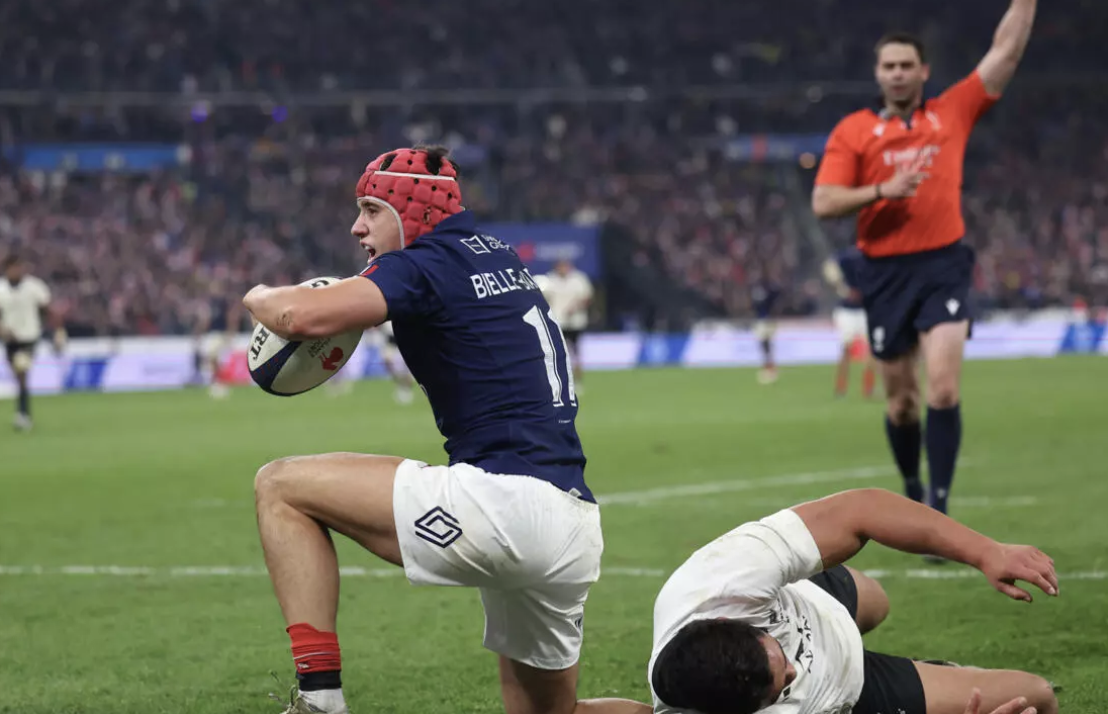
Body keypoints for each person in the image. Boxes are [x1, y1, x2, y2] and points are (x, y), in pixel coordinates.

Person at [242, 146, 642, 714]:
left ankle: (320, 699)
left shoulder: (425, 262)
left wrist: (257, 295)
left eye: (370, 209)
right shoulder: (498, 254)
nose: (357, 227)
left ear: (415, 211)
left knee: (279, 487)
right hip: (571, 521)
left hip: (505, 505)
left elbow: (296, 317)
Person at [811, 0, 1037, 516]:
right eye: (889, 66)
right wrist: (881, 190)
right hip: (884, 273)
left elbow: (1005, 52)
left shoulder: (950, 112)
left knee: (942, 388)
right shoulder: (853, 131)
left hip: (943, 266)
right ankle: (913, 484)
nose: (897, 73)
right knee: (901, 403)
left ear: (923, 71)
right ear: (877, 73)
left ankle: (938, 503)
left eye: (906, 65)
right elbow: (823, 202)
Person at [648, 488, 1059, 714]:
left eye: (779, 656)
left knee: (878, 601)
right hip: (845, 690)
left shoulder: (721, 578)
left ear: (726, 621)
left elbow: (861, 510)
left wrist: (986, 551)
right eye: (782, 684)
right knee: (1036, 696)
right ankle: (927, 678)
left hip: (806, 603)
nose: (794, 668)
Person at [0, 255, 65, 432]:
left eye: (19, 267)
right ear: (6, 269)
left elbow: (48, 311)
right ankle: (23, 412)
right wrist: (1, 331)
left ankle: (23, 414)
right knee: (18, 376)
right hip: (9, 340)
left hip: (29, 338)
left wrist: (58, 331)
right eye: (13, 268)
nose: (17, 271)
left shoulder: (34, 287)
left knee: (22, 371)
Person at [823, 247, 876, 399]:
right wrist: (844, 290)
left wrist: (842, 289)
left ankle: (864, 388)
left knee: (865, 350)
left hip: (862, 309)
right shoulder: (853, 256)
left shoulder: (855, 256)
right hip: (849, 311)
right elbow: (830, 267)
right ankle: (844, 387)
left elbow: (829, 268)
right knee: (849, 349)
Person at [539, 259, 594, 390]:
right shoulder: (549, 280)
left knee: (576, 352)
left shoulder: (579, 279)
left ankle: (578, 381)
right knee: (557, 352)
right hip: (557, 321)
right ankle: (559, 380)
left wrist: (576, 307)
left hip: (576, 322)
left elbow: (587, 298)